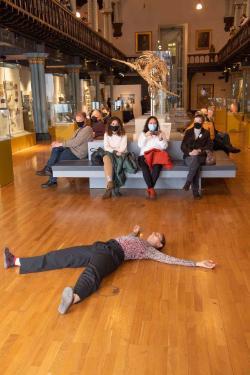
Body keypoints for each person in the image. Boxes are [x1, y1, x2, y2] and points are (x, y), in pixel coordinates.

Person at [3, 225, 216, 315]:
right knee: (62, 256)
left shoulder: (151, 251)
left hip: (112, 256)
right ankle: (16, 261)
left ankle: (74, 298)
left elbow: (171, 259)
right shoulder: (138, 238)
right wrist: (135, 232)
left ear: (159, 244)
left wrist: (196, 263)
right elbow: (129, 237)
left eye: (156, 236)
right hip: (100, 246)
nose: (153, 235)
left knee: (92, 274)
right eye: (152, 233)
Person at [36, 112, 93, 188]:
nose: (79, 122)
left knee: (56, 159)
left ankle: (51, 177)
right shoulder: (79, 129)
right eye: (77, 120)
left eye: (80, 120)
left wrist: (61, 144)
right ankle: (48, 169)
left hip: (78, 153)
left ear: (85, 119)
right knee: (56, 148)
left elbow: (75, 142)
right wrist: (59, 143)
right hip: (72, 149)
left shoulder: (87, 129)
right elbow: (71, 140)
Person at [138, 116, 171, 199]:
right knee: (145, 169)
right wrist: (145, 136)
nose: (153, 124)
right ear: (147, 124)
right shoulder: (143, 133)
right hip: (144, 155)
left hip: (156, 156)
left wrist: (160, 138)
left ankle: (150, 188)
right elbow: (140, 145)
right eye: (151, 123)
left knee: (157, 167)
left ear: (157, 124)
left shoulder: (161, 133)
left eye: (154, 123)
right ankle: (151, 189)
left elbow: (164, 147)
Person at [181, 113, 213, 199]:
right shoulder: (188, 132)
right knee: (196, 164)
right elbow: (183, 146)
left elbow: (209, 146)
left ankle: (188, 182)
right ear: (193, 122)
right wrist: (190, 152)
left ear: (202, 123)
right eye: (195, 121)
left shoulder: (206, 133)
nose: (197, 123)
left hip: (201, 156)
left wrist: (199, 151)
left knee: (196, 160)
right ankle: (195, 193)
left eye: (199, 122)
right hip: (188, 157)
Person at [102, 116, 128, 199]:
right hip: (110, 153)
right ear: (110, 125)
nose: (114, 125)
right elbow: (106, 147)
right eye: (113, 124)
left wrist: (117, 151)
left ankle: (109, 188)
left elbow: (123, 148)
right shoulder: (106, 134)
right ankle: (110, 182)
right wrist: (114, 151)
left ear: (119, 125)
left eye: (116, 124)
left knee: (115, 164)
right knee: (106, 158)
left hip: (121, 154)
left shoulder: (124, 134)